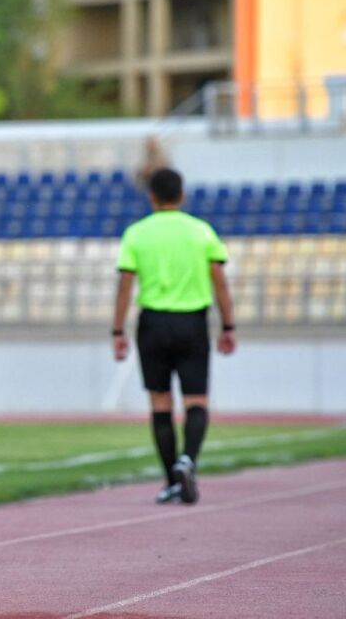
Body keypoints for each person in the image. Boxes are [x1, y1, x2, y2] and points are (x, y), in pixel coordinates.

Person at [111, 168, 236, 505]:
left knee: (160, 403)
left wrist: (118, 331)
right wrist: (228, 326)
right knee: (196, 401)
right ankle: (188, 460)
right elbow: (220, 283)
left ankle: (171, 481)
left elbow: (125, 286)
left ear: (150, 196)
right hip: (192, 322)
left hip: (152, 324)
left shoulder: (136, 233)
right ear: (182, 195)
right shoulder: (201, 231)